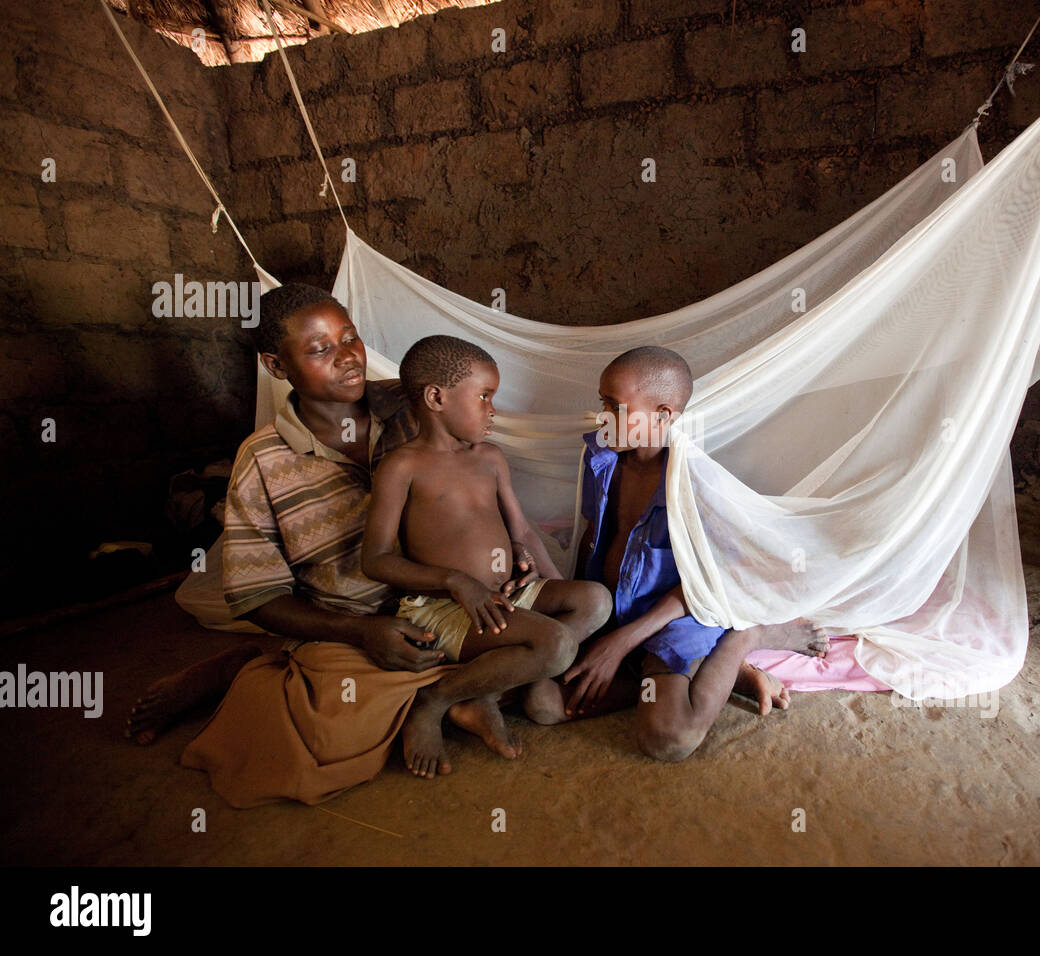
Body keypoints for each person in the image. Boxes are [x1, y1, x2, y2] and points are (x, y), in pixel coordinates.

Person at [125, 285, 516, 806]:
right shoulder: (262, 461)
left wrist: (508, 554)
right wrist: (363, 631)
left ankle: (445, 695)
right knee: (327, 733)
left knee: (546, 670)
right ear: (276, 365)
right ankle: (241, 668)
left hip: (447, 605)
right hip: (353, 628)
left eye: (350, 337)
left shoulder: (415, 405)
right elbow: (257, 595)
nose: (348, 356)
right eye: (319, 349)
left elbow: (481, 487)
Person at [523, 347, 829, 761]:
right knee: (542, 702)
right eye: (602, 403)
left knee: (669, 738)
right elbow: (595, 538)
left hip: (675, 618)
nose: (603, 417)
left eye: (616, 407)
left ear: (664, 415)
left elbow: (712, 580)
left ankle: (744, 639)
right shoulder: (602, 459)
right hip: (614, 611)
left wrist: (619, 644)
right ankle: (681, 675)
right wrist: (592, 624)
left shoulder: (694, 483)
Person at [360, 335, 611, 777]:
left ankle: (486, 693)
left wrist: (530, 568)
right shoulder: (402, 467)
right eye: (484, 396)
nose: (493, 410)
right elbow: (376, 560)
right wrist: (456, 581)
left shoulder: (491, 458)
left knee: (595, 600)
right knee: (557, 645)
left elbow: (521, 533)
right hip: (444, 608)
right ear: (436, 397)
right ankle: (434, 700)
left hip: (504, 597)